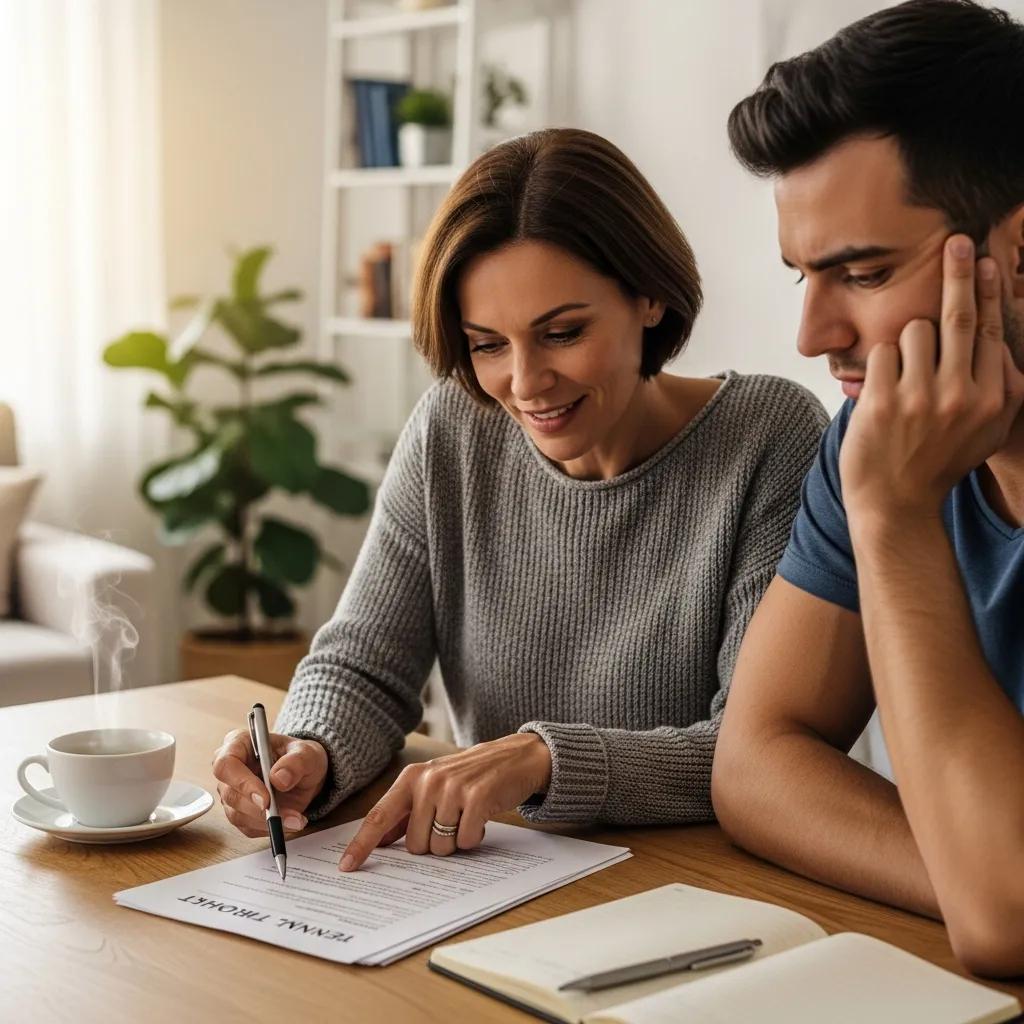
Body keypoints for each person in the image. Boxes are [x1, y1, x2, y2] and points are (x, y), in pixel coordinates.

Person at [213, 128, 826, 872]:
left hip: (698, 884)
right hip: (488, 871)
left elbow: (758, 753)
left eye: (562, 333)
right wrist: (309, 749)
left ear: (650, 295)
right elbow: (366, 664)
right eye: (487, 344)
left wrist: (543, 759)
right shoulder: (453, 427)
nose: (526, 383)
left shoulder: (770, 437)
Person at [712, 0, 1024, 978]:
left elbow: (1008, 916)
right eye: (802, 276)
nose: (813, 335)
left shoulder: (883, 472)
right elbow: (754, 762)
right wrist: (973, 869)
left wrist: (891, 517)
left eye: (864, 272)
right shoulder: (874, 434)